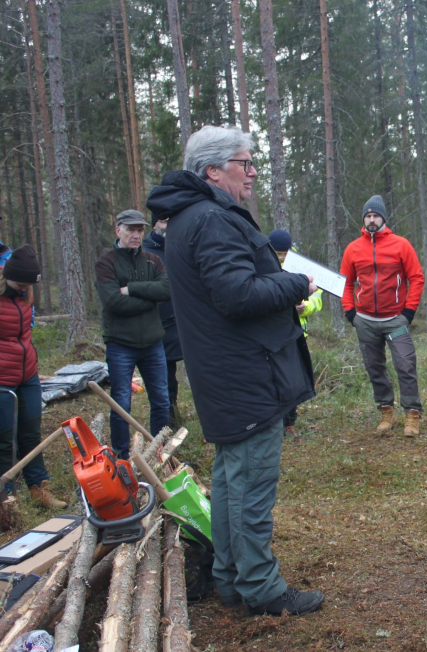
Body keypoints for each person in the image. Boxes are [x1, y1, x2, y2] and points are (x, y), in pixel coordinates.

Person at [145, 125, 323, 617]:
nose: (252, 173)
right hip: (244, 375)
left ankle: (229, 576)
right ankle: (261, 588)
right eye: (245, 164)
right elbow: (237, 295)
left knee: (229, 481)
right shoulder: (211, 220)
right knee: (249, 484)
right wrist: (294, 284)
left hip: (230, 372)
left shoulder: (193, 216)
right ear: (213, 170)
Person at [341, 195, 425, 436]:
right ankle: (386, 410)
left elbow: (416, 278)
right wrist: (350, 312)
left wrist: (408, 312)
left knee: (405, 365)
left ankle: (412, 414)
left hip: (395, 319)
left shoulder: (401, 245)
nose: (371, 220)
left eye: (375, 215)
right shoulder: (353, 248)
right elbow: (345, 283)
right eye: (368, 216)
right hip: (365, 320)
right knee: (374, 367)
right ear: (364, 220)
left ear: (383, 218)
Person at [96, 210, 171, 460]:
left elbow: (167, 289)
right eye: (130, 230)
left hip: (152, 343)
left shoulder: (152, 260)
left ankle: (158, 450)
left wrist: (132, 289)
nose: (136, 235)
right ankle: (120, 455)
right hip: (120, 344)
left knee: (161, 400)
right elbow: (113, 303)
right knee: (121, 404)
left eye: (139, 230)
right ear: (118, 230)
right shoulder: (106, 263)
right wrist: (150, 300)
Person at [0, 246, 67, 508]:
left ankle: (39, 489)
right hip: (2, 379)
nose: (23, 288)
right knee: (4, 437)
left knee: (31, 434)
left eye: (28, 285)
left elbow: (26, 332)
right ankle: (5, 496)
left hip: (27, 374)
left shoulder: (27, 293)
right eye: (19, 283)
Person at [268, 228, 323, 438]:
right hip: (272, 333)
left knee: (294, 380)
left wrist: (305, 307)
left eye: (284, 252)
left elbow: (317, 296)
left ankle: (289, 423)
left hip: (298, 333)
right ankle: (274, 423)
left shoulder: (302, 265)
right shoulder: (262, 261)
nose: (281, 257)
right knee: (274, 379)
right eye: (278, 252)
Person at [141, 215, 183, 428]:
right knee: (165, 381)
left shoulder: (180, 246)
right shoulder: (145, 252)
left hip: (186, 323)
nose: (169, 226)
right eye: (165, 221)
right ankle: (169, 425)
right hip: (159, 325)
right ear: (156, 224)